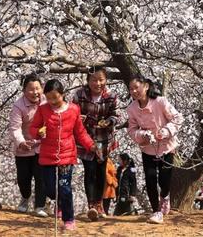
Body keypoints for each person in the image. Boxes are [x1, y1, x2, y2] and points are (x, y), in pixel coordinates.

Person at [29, 79, 102, 231]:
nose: (52, 101)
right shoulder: (43, 109)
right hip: (47, 155)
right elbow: (33, 128)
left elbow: (80, 133)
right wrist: (38, 132)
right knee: (50, 189)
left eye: (55, 97)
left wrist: (91, 146)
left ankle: (69, 219)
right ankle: (59, 203)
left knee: (65, 187)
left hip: (67, 155)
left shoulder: (73, 110)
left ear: (63, 94)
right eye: (48, 98)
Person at [126, 75, 183, 224]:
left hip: (166, 146)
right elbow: (131, 130)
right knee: (150, 179)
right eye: (131, 89)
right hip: (147, 148)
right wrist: (143, 135)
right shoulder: (131, 109)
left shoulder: (160, 102)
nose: (134, 91)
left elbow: (177, 118)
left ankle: (165, 196)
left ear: (145, 86)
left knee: (164, 179)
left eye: (136, 87)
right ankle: (156, 212)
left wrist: (165, 131)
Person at [71, 66, 119, 221]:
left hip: (104, 140)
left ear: (105, 80)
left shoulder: (111, 96)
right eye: (93, 79)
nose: (97, 83)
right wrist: (79, 118)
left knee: (100, 172)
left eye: (101, 79)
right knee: (89, 171)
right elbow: (72, 112)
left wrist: (109, 121)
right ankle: (92, 205)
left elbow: (116, 115)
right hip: (85, 139)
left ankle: (99, 204)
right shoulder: (80, 95)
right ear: (87, 80)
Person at [8, 73, 47, 217]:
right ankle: (25, 197)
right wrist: (21, 142)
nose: (35, 92)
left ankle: (40, 206)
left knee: (41, 177)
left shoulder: (46, 101)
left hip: (42, 146)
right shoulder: (19, 106)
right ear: (24, 91)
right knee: (23, 178)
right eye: (31, 89)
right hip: (24, 147)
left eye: (38, 88)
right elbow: (15, 128)